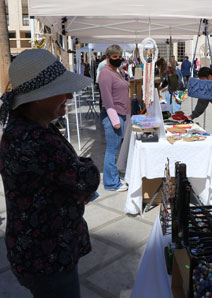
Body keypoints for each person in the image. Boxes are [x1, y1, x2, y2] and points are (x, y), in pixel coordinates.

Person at [0, 49, 100, 298]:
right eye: (60, 89)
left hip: (35, 253)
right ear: (36, 98)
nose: (68, 95)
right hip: (46, 259)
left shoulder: (27, 128)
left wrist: (75, 180)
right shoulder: (34, 139)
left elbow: (71, 175)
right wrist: (82, 178)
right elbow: (86, 177)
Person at [98, 45, 130, 191]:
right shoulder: (105, 74)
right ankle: (111, 183)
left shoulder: (117, 72)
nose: (118, 59)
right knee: (111, 149)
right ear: (108, 58)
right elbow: (107, 99)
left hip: (121, 114)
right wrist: (115, 120)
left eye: (119, 56)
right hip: (113, 115)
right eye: (115, 57)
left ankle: (114, 177)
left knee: (115, 148)